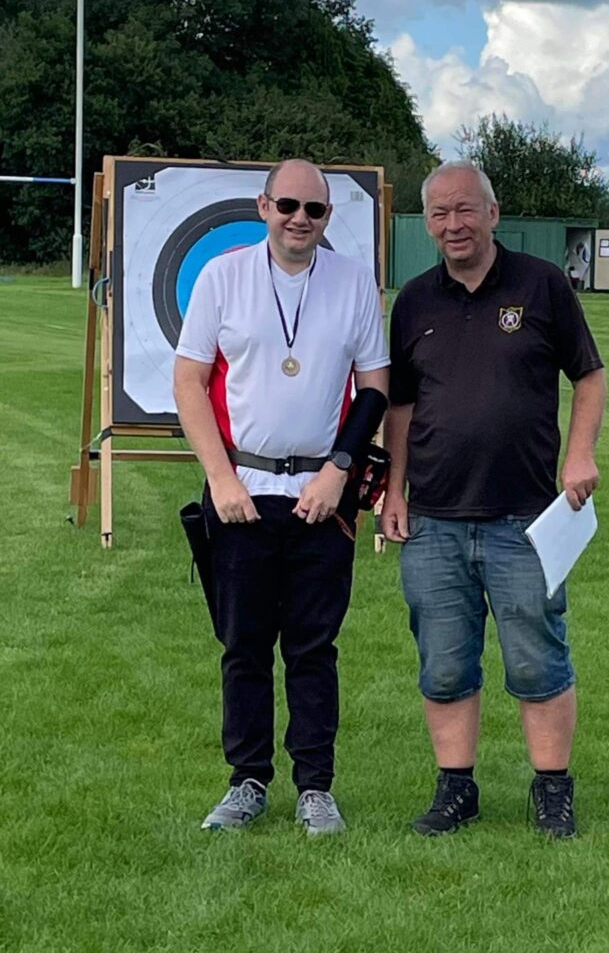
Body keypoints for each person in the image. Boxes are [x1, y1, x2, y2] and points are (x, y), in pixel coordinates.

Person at [382, 161, 606, 839]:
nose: (453, 224)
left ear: (492, 212)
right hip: (434, 518)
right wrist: (394, 490)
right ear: (429, 223)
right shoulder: (414, 300)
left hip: (526, 518)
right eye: (440, 214)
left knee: (539, 658)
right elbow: (401, 405)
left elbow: (589, 377)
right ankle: (457, 791)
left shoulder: (542, 287)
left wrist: (580, 452)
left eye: (465, 210)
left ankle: (552, 790)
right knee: (445, 663)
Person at [174, 159, 389, 836]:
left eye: (315, 210)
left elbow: (375, 385)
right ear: (264, 206)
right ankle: (246, 780)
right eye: (289, 205)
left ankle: (315, 786)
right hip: (243, 490)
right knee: (243, 646)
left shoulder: (353, 282)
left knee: (314, 646)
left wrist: (340, 473)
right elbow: (189, 381)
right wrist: (220, 477)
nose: (301, 219)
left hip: (321, 496)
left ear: (328, 218)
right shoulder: (223, 277)